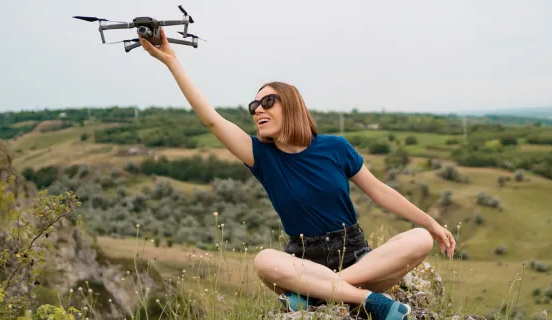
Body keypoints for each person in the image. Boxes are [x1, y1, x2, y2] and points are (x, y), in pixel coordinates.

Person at [139, 30, 456, 319]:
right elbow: (211, 120)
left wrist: (430, 222)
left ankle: (317, 295)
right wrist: (171, 61)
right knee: (264, 261)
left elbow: (380, 192)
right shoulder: (261, 156)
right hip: (303, 261)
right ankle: (369, 301)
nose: (258, 110)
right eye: (254, 106)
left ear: (290, 105)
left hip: (358, 258)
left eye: (267, 101)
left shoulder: (335, 147)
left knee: (418, 239)